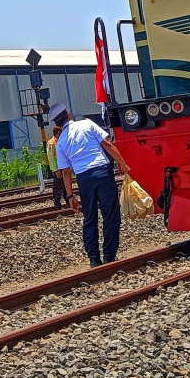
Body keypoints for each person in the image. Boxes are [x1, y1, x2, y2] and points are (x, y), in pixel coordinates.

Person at [53, 102, 132, 268]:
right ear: (69, 115)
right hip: (102, 172)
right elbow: (108, 144)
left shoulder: (60, 144)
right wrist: (123, 164)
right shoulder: (88, 124)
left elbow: (66, 172)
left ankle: (94, 259)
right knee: (110, 214)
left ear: (58, 125)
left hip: (83, 178)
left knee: (90, 218)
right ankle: (109, 255)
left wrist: (70, 196)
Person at [46, 131, 69, 209]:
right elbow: (51, 158)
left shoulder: (59, 141)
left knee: (66, 186)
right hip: (58, 169)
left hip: (63, 167)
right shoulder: (51, 143)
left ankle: (68, 203)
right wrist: (55, 170)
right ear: (58, 133)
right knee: (58, 188)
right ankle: (57, 204)